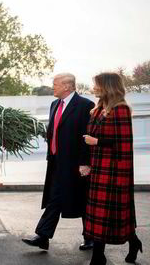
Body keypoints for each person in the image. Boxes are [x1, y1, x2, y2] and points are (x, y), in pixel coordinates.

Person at [22, 73, 95, 251]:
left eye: (55, 84)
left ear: (67, 86)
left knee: (82, 199)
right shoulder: (54, 104)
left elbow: (88, 136)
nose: (52, 87)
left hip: (76, 163)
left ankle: (91, 237)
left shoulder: (86, 105)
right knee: (55, 198)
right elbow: (54, 131)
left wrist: (85, 162)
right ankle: (43, 236)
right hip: (56, 161)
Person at [83, 72, 142, 265]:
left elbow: (124, 144)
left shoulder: (120, 109)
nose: (93, 89)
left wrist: (96, 141)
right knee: (100, 215)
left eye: (96, 85)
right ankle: (101, 255)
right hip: (98, 169)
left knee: (113, 215)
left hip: (114, 171)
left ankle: (105, 254)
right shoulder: (98, 109)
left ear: (107, 87)